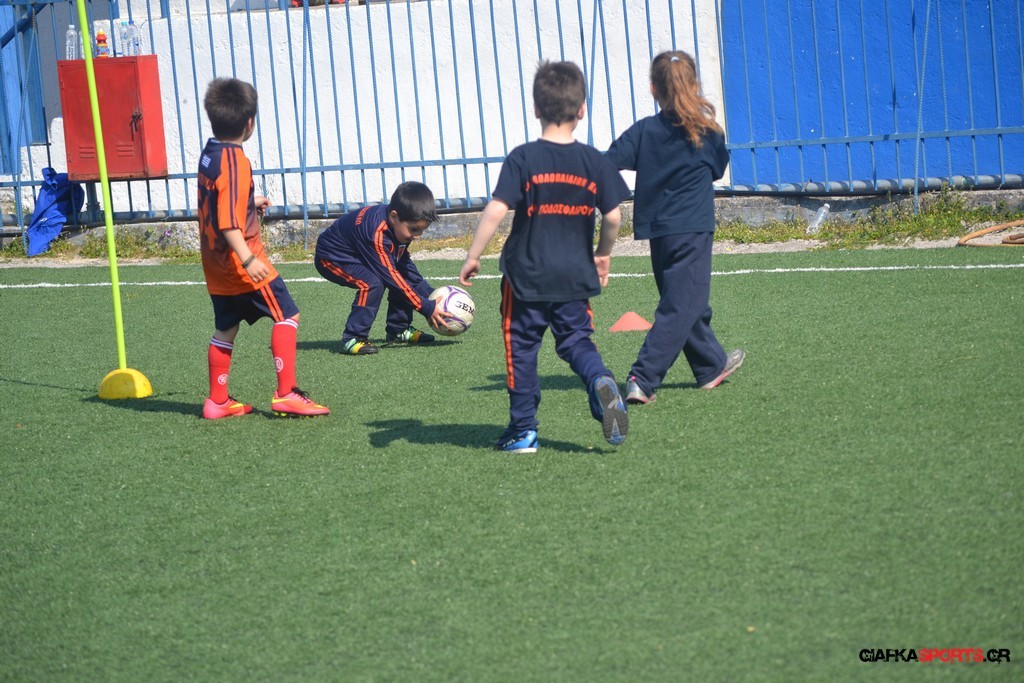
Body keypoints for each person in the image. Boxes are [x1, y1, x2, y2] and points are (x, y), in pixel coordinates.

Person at [460, 60, 631, 453]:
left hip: (526, 276)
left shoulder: (523, 157)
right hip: (574, 275)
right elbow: (613, 216)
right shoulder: (594, 161)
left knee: (521, 348)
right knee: (576, 341)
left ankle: (523, 430)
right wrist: (603, 255)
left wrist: (473, 255)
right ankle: (599, 379)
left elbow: (497, 208)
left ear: (536, 108)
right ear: (582, 109)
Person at [606, 51, 745, 405]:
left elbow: (607, 163)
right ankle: (642, 377)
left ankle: (710, 365)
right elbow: (718, 169)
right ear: (695, 85)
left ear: (653, 89)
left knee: (686, 301)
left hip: (658, 232)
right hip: (692, 229)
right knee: (681, 306)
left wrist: (614, 198)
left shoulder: (643, 131)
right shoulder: (708, 132)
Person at [198, 78, 329, 419]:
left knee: (226, 327)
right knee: (287, 315)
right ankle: (286, 393)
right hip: (241, 262)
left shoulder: (210, 154)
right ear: (250, 122)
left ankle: (217, 401)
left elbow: (217, 199)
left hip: (215, 264)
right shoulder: (236, 162)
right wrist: (248, 259)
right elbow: (228, 223)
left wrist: (247, 201)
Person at [315, 181, 451, 355]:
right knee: (372, 283)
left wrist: (431, 294)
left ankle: (398, 330)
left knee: (401, 274)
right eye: (414, 229)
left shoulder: (398, 226)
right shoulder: (377, 234)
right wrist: (426, 307)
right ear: (394, 217)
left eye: (422, 230)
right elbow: (391, 276)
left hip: (358, 253)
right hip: (332, 258)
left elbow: (404, 267)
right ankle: (352, 338)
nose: (417, 236)